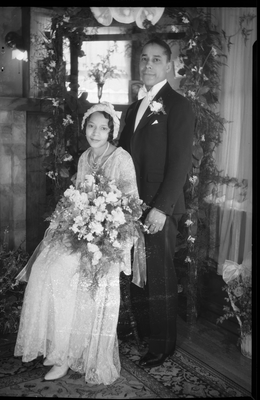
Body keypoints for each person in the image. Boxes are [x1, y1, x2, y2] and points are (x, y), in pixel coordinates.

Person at [14, 102, 145, 385]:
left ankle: (67, 356)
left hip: (110, 238)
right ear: (84, 127)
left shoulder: (122, 158)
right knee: (44, 269)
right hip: (84, 232)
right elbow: (80, 196)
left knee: (66, 277)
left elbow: (131, 207)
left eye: (103, 128)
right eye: (91, 126)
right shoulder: (85, 156)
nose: (95, 133)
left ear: (112, 131)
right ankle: (57, 347)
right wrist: (72, 221)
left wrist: (105, 230)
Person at [119, 37, 195, 368]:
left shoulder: (178, 105)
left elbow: (181, 162)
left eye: (155, 60)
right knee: (139, 273)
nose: (148, 65)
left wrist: (162, 208)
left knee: (160, 275)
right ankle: (144, 334)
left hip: (159, 209)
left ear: (168, 65)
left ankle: (162, 346)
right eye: (144, 59)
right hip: (132, 205)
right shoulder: (134, 108)